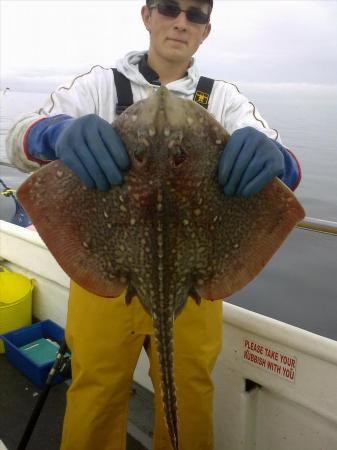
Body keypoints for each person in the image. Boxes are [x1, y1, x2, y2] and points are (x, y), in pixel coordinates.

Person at [6, 1, 301, 449]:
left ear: (206, 30)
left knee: (189, 396)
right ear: (147, 16)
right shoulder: (99, 85)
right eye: (169, 8)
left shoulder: (223, 99)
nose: (181, 21)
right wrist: (55, 133)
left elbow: (287, 171)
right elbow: (20, 138)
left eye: (195, 14)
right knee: (96, 393)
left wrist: (275, 159)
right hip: (106, 269)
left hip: (194, 276)